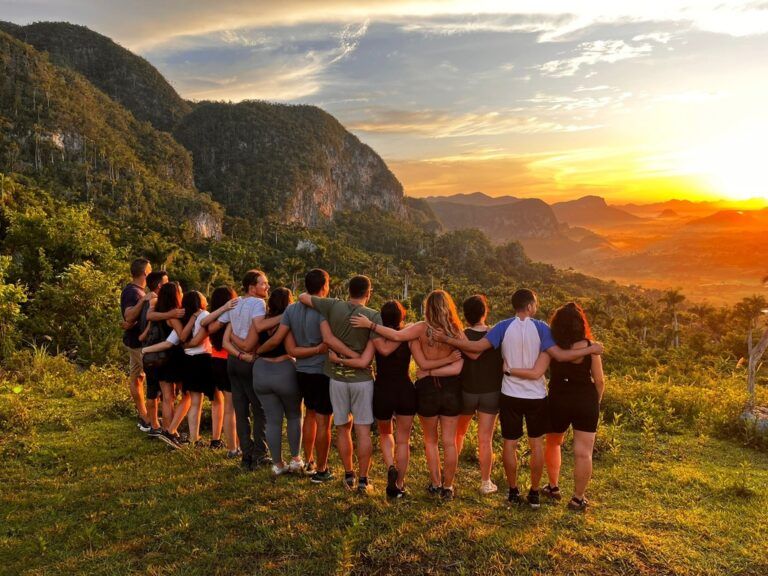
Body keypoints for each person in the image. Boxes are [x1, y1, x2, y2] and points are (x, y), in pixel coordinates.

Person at [433, 289, 603, 509]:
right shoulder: (542, 328)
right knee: (537, 445)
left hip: (509, 394)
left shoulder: (502, 327)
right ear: (530, 306)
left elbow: (475, 349)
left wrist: (446, 338)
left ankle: (513, 491)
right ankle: (534, 493)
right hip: (536, 396)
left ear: (514, 305)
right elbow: (561, 356)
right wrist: (593, 349)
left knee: (509, 443)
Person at [349, 290, 465, 500]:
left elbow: (396, 340)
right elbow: (459, 364)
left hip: (406, 389)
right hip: (434, 390)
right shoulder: (456, 331)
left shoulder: (419, 329)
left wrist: (371, 326)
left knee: (425, 440)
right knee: (447, 442)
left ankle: (427, 480)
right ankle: (446, 487)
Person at [504, 302, 605, 511]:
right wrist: (595, 401)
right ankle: (578, 498)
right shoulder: (591, 347)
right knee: (583, 452)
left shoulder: (553, 347)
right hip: (585, 398)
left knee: (553, 443)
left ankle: (553, 486)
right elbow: (600, 380)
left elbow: (537, 370)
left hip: (559, 398)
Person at [298, 275, 383, 494]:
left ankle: (348, 475)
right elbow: (371, 354)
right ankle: (364, 480)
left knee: (343, 428)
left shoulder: (333, 305)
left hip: (336, 377)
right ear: (368, 292)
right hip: (362, 380)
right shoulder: (373, 316)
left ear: (348, 290)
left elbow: (302, 296)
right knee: (363, 431)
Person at [251, 269, 335, 483]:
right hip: (320, 370)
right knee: (317, 419)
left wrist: (258, 352)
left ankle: (298, 461)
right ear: (324, 286)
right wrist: (320, 349)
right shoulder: (326, 308)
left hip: (301, 371)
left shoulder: (292, 310)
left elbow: (283, 342)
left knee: (304, 416)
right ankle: (317, 465)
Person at [230, 288, 303, 476]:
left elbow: (249, 345)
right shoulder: (288, 321)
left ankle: (277, 464)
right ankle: (295, 459)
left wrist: (230, 337)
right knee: (294, 416)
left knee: (272, 420)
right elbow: (290, 348)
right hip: (284, 370)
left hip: (261, 372)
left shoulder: (260, 322)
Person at [220, 270, 280, 470]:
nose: (267, 287)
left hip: (232, 361)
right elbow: (258, 327)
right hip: (249, 361)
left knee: (241, 409)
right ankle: (260, 454)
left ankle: (246, 455)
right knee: (259, 409)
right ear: (252, 287)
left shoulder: (236, 302)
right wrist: (284, 316)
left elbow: (224, 328)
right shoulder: (257, 304)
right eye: (264, 284)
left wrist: (235, 344)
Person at [368, 301, 417, 498]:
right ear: (402, 317)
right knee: (403, 439)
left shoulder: (377, 337)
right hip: (405, 388)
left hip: (383, 389)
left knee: (385, 433)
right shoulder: (408, 337)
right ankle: (399, 484)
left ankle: (390, 466)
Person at [455, 295, 503, 495]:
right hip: (491, 391)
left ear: (466, 316)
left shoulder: (461, 336)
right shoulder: (495, 335)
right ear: (485, 312)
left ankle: (451, 471)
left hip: (466, 390)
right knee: (485, 439)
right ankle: (485, 482)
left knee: (458, 433)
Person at [143, 282, 192, 448]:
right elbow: (182, 337)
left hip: (158, 358)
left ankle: (168, 430)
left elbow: (149, 316)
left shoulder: (157, 312)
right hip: (173, 358)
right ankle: (172, 431)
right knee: (181, 396)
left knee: (167, 396)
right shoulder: (173, 316)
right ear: (175, 295)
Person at [202, 286, 241, 456]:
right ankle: (234, 448)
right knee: (234, 408)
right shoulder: (230, 315)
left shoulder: (215, 318)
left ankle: (233, 446)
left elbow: (207, 327)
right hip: (230, 360)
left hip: (215, 360)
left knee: (228, 406)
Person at [136, 270, 170, 437]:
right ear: (160, 286)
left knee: (151, 390)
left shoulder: (145, 302)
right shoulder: (156, 301)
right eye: (166, 282)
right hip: (157, 351)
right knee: (164, 393)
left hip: (146, 351)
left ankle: (154, 424)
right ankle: (165, 427)